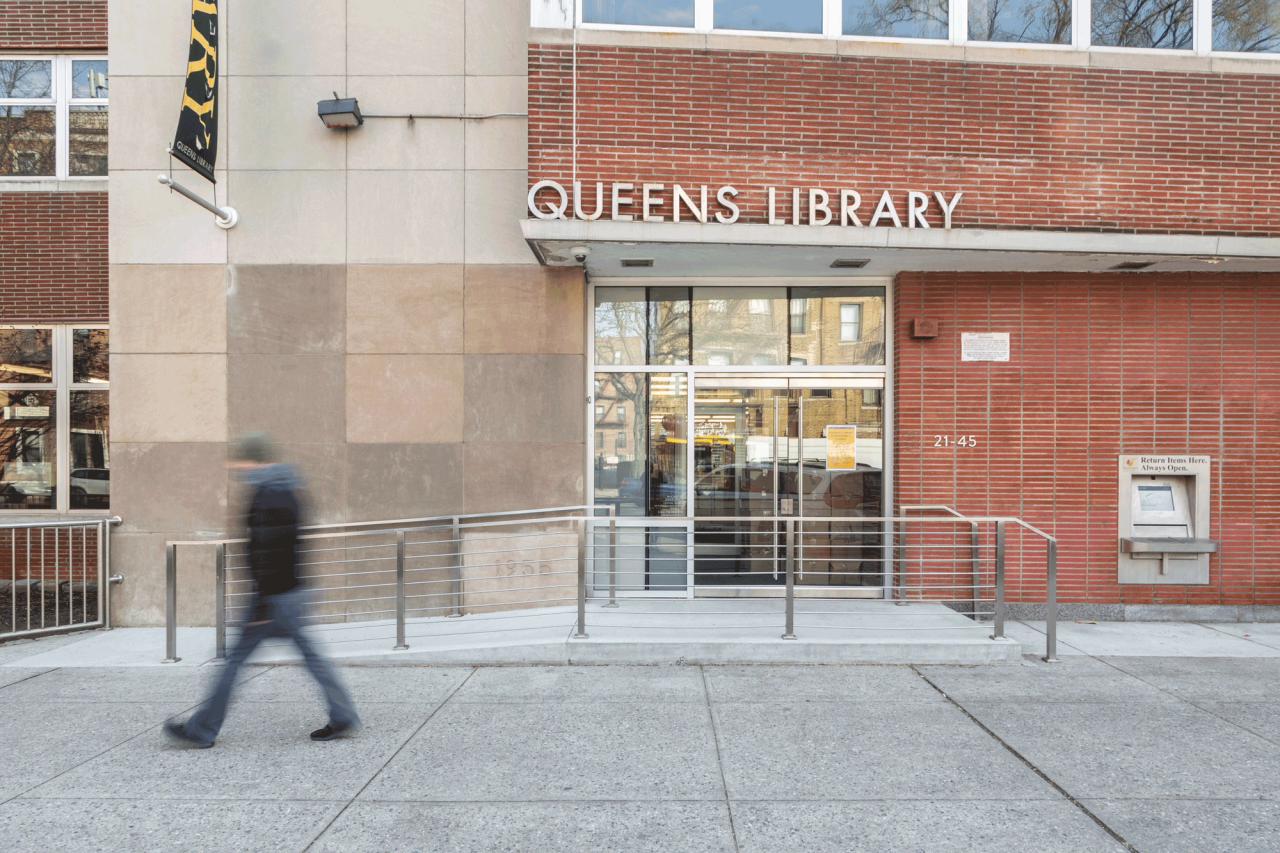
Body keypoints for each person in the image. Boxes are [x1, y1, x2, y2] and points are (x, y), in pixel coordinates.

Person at [165, 432, 360, 748]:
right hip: (289, 592)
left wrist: (260, 604)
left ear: (254, 460)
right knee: (312, 659)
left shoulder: (269, 494)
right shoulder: (285, 488)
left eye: (240, 460)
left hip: (274, 596)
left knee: (234, 661)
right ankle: (344, 715)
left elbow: (270, 552)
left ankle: (202, 730)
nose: (235, 467)